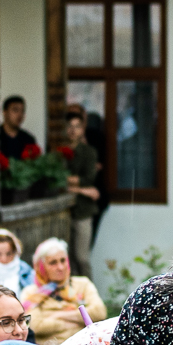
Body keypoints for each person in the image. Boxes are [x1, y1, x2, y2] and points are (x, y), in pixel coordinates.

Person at [21, 237, 104, 345]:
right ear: (41, 267)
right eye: (53, 263)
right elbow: (36, 326)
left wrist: (58, 315)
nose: (60, 267)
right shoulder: (31, 293)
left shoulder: (82, 284)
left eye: (63, 260)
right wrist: (76, 321)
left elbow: (99, 312)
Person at [60, 108, 100, 274]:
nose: (73, 130)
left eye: (77, 126)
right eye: (70, 126)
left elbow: (88, 178)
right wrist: (79, 186)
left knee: (82, 257)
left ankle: (88, 289)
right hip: (63, 211)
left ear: (82, 129)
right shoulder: (60, 152)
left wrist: (69, 183)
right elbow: (55, 177)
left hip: (83, 210)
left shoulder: (89, 152)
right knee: (67, 258)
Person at [0, 95, 37, 164]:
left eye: (22, 111)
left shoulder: (28, 139)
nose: (20, 114)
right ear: (5, 113)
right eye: (15, 110)